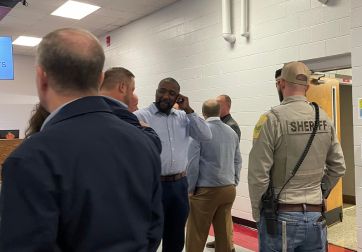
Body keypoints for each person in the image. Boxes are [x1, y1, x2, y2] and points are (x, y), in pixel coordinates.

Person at [0, 28, 163, 251]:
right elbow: (153, 230)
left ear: (42, 77)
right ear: (100, 78)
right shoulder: (143, 142)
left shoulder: (30, 158)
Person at [248, 61, 346, 251]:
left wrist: (257, 213)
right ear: (307, 87)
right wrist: (321, 191)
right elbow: (338, 167)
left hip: (281, 218)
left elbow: (258, 174)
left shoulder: (271, 119)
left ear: (281, 83)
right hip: (316, 217)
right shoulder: (324, 118)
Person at [134, 77, 212, 252]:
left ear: (178, 96)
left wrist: (189, 109)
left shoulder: (183, 117)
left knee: (175, 238)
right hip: (152, 186)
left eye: (172, 93)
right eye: (162, 90)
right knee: (149, 237)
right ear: (156, 91)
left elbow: (206, 135)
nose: (166, 96)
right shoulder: (140, 116)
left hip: (179, 185)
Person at [186, 99, 242, 252]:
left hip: (206, 190)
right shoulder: (232, 132)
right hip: (228, 188)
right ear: (219, 112)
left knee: (196, 233)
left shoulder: (200, 132)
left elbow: (192, 164)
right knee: (224, 235)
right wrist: (234, 181)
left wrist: (190, 188)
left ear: (203, 113)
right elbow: (238, 160)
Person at [204, 94, 241, 250]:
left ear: (228, 106)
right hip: (220, 179)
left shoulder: (231, 126)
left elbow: (232, 155)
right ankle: (221, 240)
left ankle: (228, 243)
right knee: (219, 215)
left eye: (220, 104)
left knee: (224, 216)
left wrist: (234, 179)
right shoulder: (221, 124)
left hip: (224, 178)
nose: (217, 107)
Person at [100, 67, 161, 152]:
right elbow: (152, 146)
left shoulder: (86, 108)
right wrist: (148, 129)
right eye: (132, 90)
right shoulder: (123, 115)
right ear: (122, 87)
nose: (131, 95)